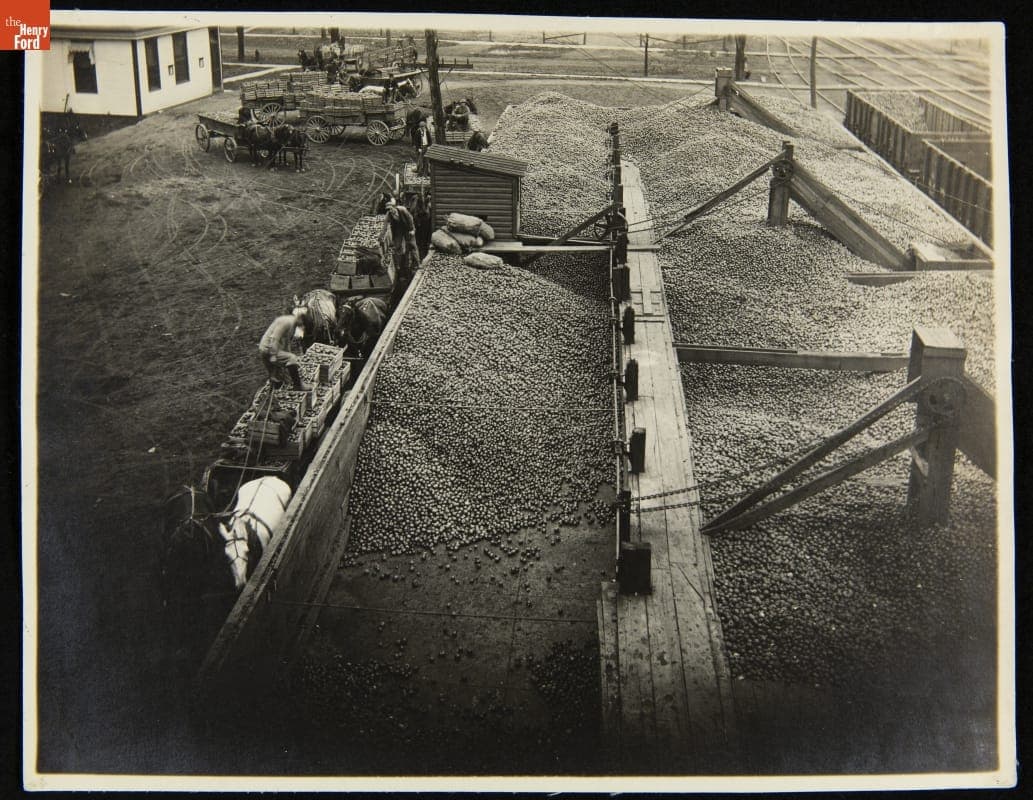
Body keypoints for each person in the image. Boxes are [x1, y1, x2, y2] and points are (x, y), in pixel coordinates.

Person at [258, 313, 312, 391]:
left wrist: (292, 363)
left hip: (272, 348)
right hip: (268, 348)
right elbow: (274, 338)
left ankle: (276, 388)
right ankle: (298, 386)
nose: (302, 327)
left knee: (280, 378)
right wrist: (273, 355)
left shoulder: (293, 325)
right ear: (300, 319)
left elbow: (287, 344)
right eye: (303, 325)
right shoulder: (287, 322)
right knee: (292, 358)